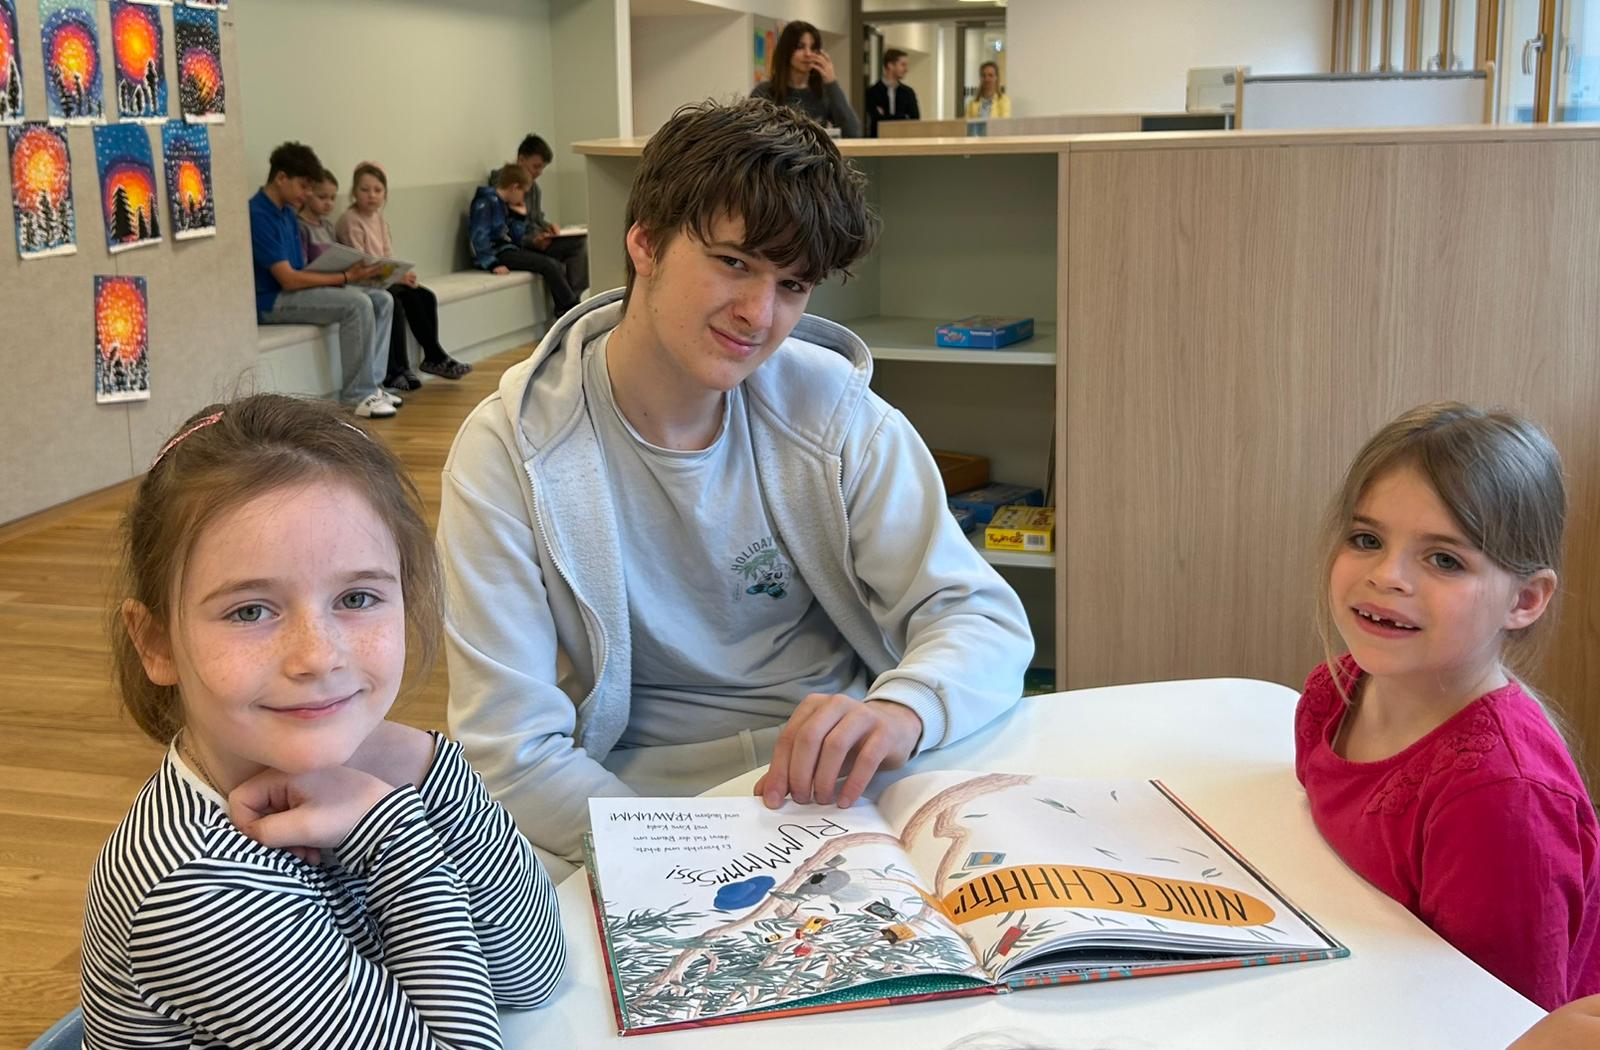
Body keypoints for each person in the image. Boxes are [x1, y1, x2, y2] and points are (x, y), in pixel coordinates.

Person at [438, 98, 1032, 878]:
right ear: (644, 242)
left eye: (793, 284)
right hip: (631, 803)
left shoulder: (834, 412)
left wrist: (901, 709)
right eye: (733, 262)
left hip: (844, 792)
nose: (760, 314)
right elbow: (507, 751)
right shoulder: (509, 448)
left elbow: (981, 618)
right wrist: (681, 862)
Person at [80, 394, 566, 1047]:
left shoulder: (367, 770)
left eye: (357, 598)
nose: (317, 656)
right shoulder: (198, 889)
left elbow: (531, 972)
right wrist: (397, 840)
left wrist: (420, 762)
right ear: (156, 642)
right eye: (250, 611)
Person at [1295, 402, 1599, 1010]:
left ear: (1525, 600)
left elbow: (1510, 1022)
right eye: (1367, 539)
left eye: (1444, 559)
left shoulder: (1500, 799)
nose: (1387, 575)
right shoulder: (1334, 693)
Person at [250, 143, 396, 420]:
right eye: (303, 186)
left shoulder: (287, 212)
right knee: (357, 304)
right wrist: (345, 277)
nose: (307, 194)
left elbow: (303, 267)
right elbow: (288, 279)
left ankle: (374, 385)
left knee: (382, 299)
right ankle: (357, 394)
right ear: (281, 178)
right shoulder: (258, 214)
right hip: (271, 300)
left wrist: (343, 271)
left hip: (297, 290)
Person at [336, 161, 473, 389]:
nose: (371, 195)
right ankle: (396, 369)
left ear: (385, 193)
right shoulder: (350, 220)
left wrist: (401, 273)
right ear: (354, 192)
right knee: (396, 303)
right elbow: (363, 262)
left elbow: (388, 256)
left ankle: (433, 356)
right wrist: (396, 276)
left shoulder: (379, 219)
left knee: (424, 296)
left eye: (377, 190)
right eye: (365, 190)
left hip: (381, 278)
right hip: (364, 281)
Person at [468, 163, 581, 320]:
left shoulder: (504, 205)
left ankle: (564, 307)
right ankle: (571, 308)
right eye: (524, 193)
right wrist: (492, 263)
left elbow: (516, 238)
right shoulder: (485, 203)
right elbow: (479, 236)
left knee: (554, 263)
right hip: (497, 253)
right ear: (515, 188)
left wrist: (519, 217)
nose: (523, 198)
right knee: (548, 265)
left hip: (509, 248)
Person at [502, 134, 588, 321]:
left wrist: (548, 227)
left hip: (535, 239)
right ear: (521, 160)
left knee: (579, 243)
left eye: (542, 168)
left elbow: (535, 219)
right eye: (536, 166)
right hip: (517, 246)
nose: (539, 172)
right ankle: (569, 308)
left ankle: (578, 301)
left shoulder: (534, 188)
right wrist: (532, 240)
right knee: (551, 265)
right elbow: (510, 228)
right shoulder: (505, 186)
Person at [750, 21, 861, 138]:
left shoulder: (823, 92)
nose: (808, 54)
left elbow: (852, 133)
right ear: (786, 51)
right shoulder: (764, 91)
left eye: (813, 48)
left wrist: (832, 82)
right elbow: (751, 135)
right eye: (800, 47)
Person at [865, 48, 919, 137]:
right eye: (903, 65)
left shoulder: (908, 93)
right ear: (890, 65)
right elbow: (876, 120)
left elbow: (915, 120)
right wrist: (903, 117)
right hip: (878, 141)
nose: (906, 69)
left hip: (904, 140)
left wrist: (885, 117)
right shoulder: (872, 92)